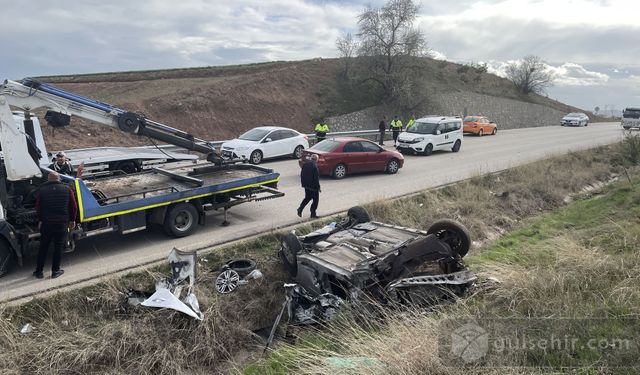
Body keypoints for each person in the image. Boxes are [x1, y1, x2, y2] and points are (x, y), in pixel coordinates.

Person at [33, 171, 77, 279]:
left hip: (47, 224)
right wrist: (72, 220)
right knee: (58, 247)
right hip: (61, 223)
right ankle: (55, 271)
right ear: (59, 179)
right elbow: (73, 207)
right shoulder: (67, 189)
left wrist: (41, 220)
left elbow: (38, 208)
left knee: (43, 247)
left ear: (48, 179)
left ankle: (39, 272)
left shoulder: (42, 191)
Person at [297, 154, 320, 219]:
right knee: (315, 200)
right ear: (316, 160)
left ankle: (300, 209)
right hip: (313, 187)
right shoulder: (314, 167)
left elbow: (302, 174)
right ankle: (313, 214)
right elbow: (316, 179)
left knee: (307, 198)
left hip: (306, 185)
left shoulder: (305, 164)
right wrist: (318, 188)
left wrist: (303, 184)